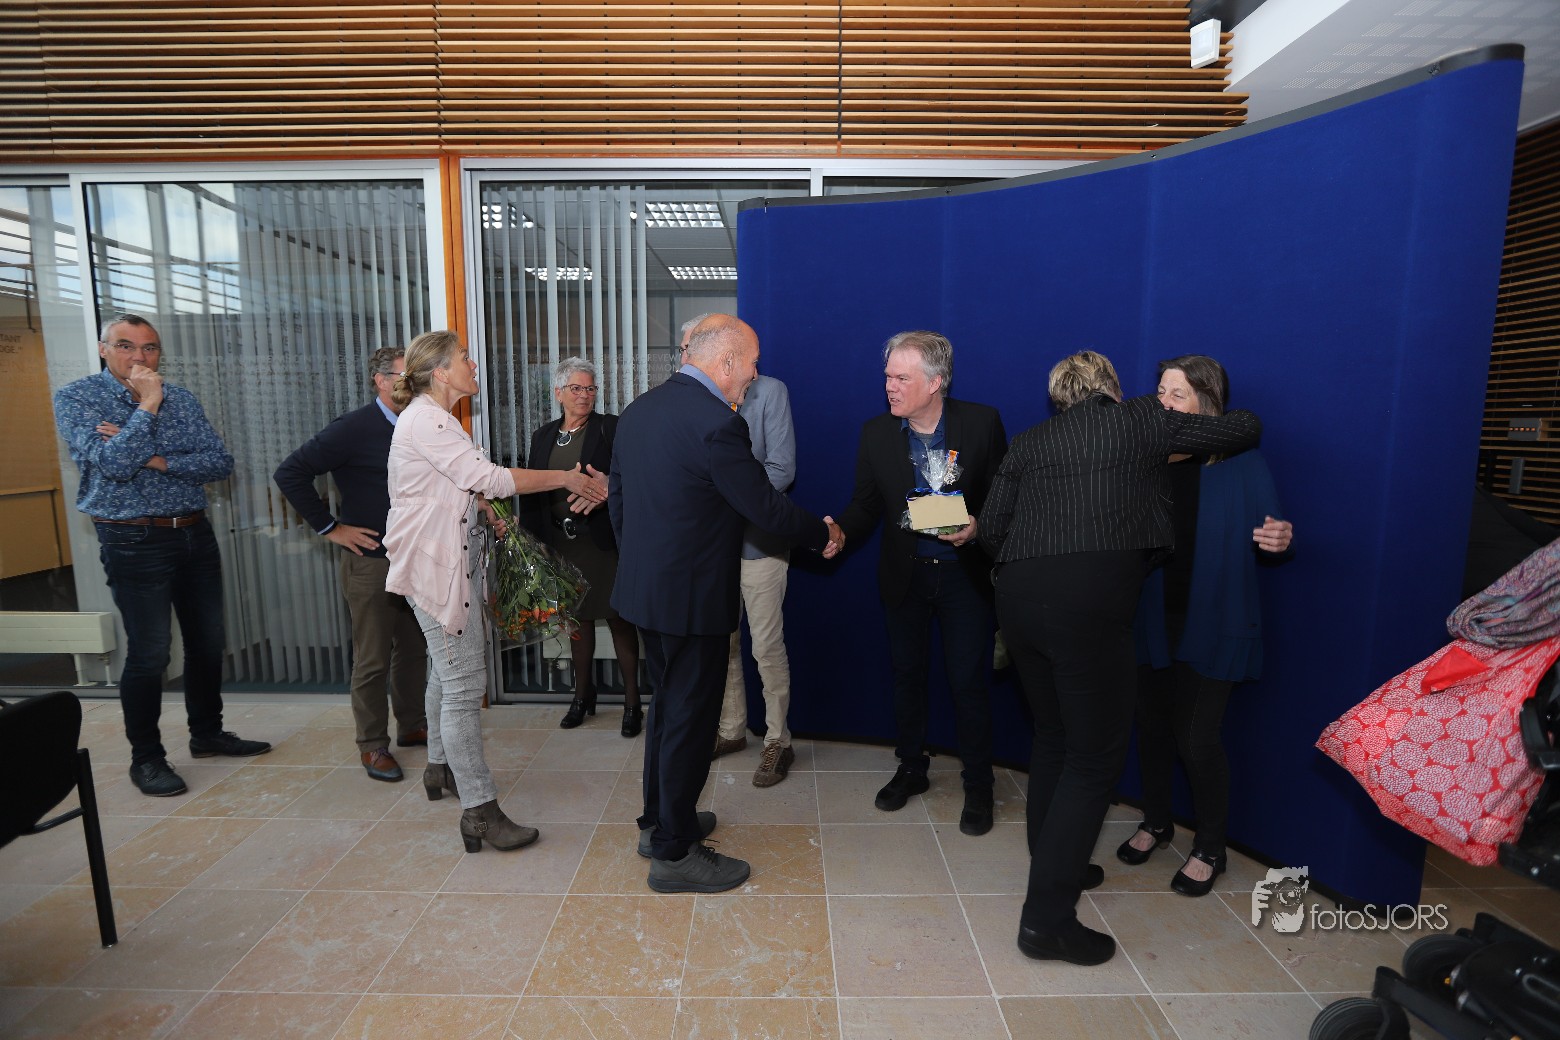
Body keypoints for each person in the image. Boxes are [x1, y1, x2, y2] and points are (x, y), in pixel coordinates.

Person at [977, 349, 1262, 966]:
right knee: (1091, 762)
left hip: (1017, 602)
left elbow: (992, 530)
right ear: (1112, 388)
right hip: (1089, 607)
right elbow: (1245, 427)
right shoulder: (1140, 418)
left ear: (1060, 397)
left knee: (1052, 738)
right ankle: (1046, 922)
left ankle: (1059, 865)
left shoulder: (1030, 440)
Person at [610, 313, 842, 893]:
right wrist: (822, 533)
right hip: (692, 600)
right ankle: (674, 854)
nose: (755, 375)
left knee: (668, 711)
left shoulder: (639, 410)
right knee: (691, 720)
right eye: (753, 363)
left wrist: (646, 566)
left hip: (647, 593)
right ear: (728, 362)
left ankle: (659, 823)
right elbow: (763, 506)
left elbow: (619, 503)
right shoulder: (718, 424)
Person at [383, 329, 607, 852]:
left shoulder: (434, 419)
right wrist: (565, 479)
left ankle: (439, 767)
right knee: (464, 684)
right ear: (441, 372)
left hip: (439, 562)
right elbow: (490, 477)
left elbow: (458, 485)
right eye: (464, 357)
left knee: (446, 672)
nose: (473, 364)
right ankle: (479, 811)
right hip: (435, 570)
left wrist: (487, 512)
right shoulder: (428, 420)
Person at [52, 313, 271, 797]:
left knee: (208, 643)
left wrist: (153, 457)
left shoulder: (183, 398)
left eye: (149, 347)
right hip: (132, 539)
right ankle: (147, 759)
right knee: (150, 652)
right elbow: (112, 464)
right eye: (126, 346)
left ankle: (207, 734)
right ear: (104, 349)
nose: (140, 357)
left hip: (194, 533)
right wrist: (149, 406)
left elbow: (218, 463)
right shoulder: (78, 398)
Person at [1117, 354, 1293, 896]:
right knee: (1150, 730)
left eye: (1178, 394)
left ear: (1206, 403)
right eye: (1161, 392)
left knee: (1196, 739)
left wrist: (1280, 539)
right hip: (1151, 618)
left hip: (1214, 622)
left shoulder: (1242, 462)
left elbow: (1275, 532)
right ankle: (1156, 822)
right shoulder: (1146, 459)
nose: (1164, 403)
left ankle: (1211, 846)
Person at [834, 330, 1007, 836]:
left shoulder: (982, 423)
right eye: (887, 376)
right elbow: (866, 504)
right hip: (905, 576)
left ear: (935, 382)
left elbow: (1005, 498)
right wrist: (838, 532)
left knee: (967, 683)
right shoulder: (876, 433)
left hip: (964, 578)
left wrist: (980, 527)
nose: (888, 386)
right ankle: (912, 768)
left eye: (900, 378)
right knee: (906, 676)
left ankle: (979, 784)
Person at [273, 346, 428, 783]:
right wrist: (331, 528)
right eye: (404, 376)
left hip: (417, 559)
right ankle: (372, 744)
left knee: (414, 650)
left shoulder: (422, 423)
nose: (412, 385)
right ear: (380, 381)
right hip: (372, 562)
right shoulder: (353, 428)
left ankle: (412, 724)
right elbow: (290, 472)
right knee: (373, 657)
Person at [519, 357, 643, 738]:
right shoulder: (542, 436)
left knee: (619, 621)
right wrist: (532, 544)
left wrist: (610, 490)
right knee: (576, 622)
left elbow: (637, 475)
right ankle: (582, 696)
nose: (585, 395)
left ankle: (632, 703)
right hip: (562, 544)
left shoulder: (610, 428)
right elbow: (531, 489)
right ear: (558, 392)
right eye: (576, 388)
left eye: (590, 388)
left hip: (603, 543)